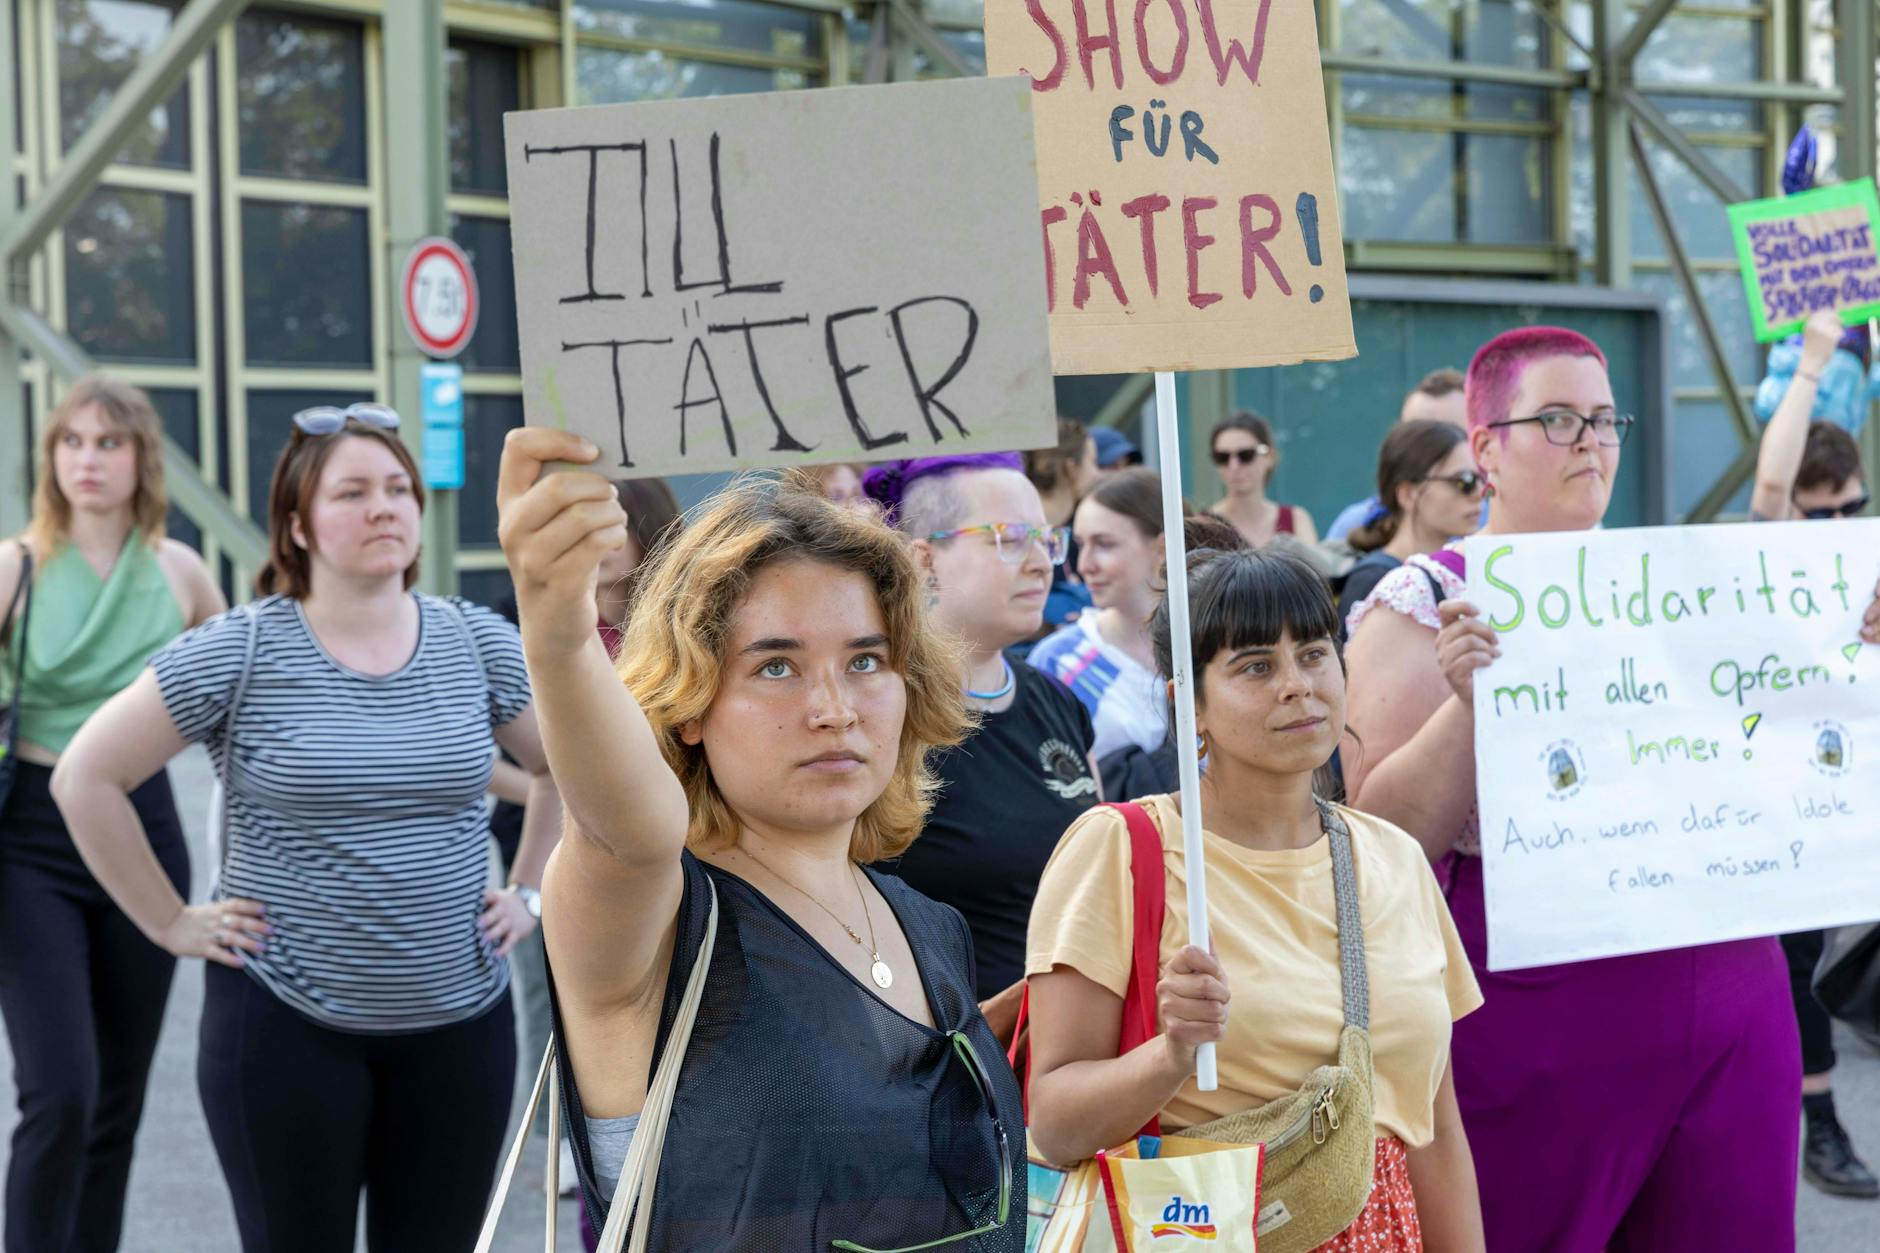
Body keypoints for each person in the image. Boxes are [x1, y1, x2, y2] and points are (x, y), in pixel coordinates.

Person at [1344, 326, 1880, 1251]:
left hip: (1729, 990)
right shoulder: (1425, 599)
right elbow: (1374, 831)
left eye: (1604, 418)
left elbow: (1791, 733)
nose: (1590, 439)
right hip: (1535, 1006)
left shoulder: (1678, 581)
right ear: (1486, 448)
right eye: (1557, 418)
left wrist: (1850, 645)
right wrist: (1473, 707)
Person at [53, 405, 565, 1253]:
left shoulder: (476, 641)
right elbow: (85, 776)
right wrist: (169, 920)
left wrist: (530, 888)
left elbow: (561, 772)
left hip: (459, 1027)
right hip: (284, 1026)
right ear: (296, 523)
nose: (384, 507)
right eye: (353, 491)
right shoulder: (240, 649)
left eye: (399, 488)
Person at [499, 430, 1023, 1248]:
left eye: (865, 659)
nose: (833, 707)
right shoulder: (657, 913)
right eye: (776, 666)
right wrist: (558, 635)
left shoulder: (931, 926)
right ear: (691, 700)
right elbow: (629, 832)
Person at [1024, 547, 1485, 1252]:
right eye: (1256, 666)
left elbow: (1434, 1126)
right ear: (1191, 702)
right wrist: (1171, 1052)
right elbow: (1054, 1121)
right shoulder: (1121, 848)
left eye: (1313, 652)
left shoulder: (1393, 857)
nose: (1297, 685)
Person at [0, 377, 224, 1253]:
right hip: (29, 838)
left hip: (143, 830)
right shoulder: (16, 565)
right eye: (72, 442)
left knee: (116, 1102)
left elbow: (239, 708)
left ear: (142, 460)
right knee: (60, 1091)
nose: (87, 460)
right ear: (51, 459)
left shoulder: (180, 572)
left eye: (109, 443)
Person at [490, 472, 684, 1196]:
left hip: (655, 858)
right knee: (549, 992)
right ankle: (567, 1138)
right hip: (557, 850)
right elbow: (498, 759)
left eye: (611, 522)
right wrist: (568, 785)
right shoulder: (545, 635)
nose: (595, 541)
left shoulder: (678, 633)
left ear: (649, 530)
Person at [865, 455, 1102, 1045]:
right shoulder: (884, 713)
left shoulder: (1055, 700)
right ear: (924, 559)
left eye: (1047, 539)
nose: (1041, 561)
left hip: (1075, 1055)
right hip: (950, 1064)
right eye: (1010, 539)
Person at [1749, 307, 1877, 1200]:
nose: (1840, 521)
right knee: (1796, 955)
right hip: (1791, 792)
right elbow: (1766, 491)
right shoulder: (1768, 552)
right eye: (1822, 509)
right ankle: (1819, 1118)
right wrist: (1813, 364)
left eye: (1854, 506)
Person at [1029, 468, 1170, 762]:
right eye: (1081, 545)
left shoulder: (1213, 643)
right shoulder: (1057, 661)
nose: (1084, 565)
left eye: (1104, 545)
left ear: (1162, 548)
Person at [1335, 420, 1483, 637]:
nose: (1479, 492)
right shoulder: (1372, 581)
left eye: (1481, 478)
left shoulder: (1457, 572)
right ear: (1408, 494)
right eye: (1464, 481)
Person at [1327, 369, 1469, 543]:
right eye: (1415, 433)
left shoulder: (1500, 522)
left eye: (1452, 433)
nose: (1433, 448)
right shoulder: (1358, 523)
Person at [1024, 418, 1101, 629]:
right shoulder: (1016, 535)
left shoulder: (1078, 530)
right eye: (1093, 462)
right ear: (1071, 468)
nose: (1097, 474)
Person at [1207, 411, 1318, 546]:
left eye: (1245, 455)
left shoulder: (1296, 519)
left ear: (1269, 457)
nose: (1233, 466)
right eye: (1223, 457)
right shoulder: (1203, 525)